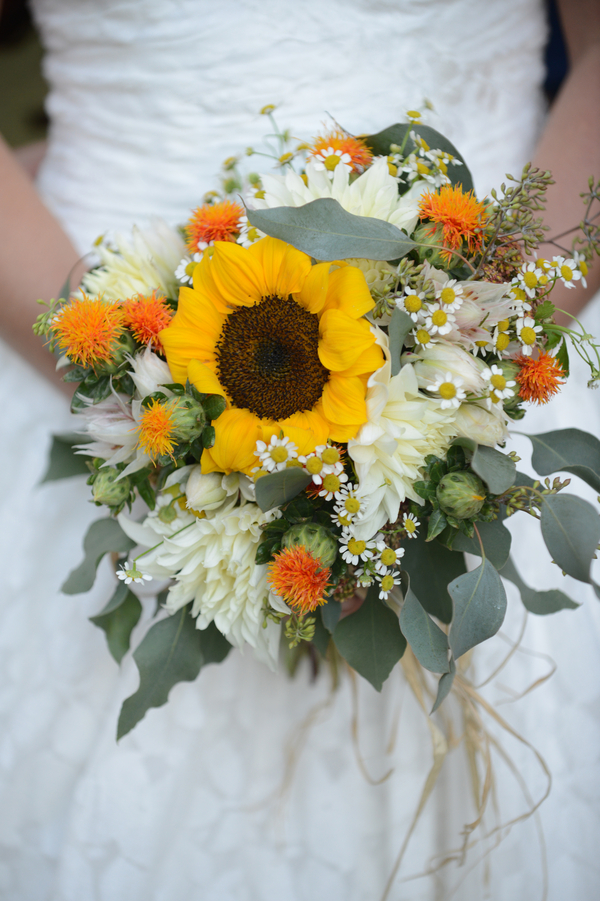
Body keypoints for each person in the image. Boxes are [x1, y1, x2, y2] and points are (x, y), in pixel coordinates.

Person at [0, 0, 599, 898]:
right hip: (86, 329)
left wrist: (469, 359)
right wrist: (135, 377)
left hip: (508, 321)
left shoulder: (484, 347)